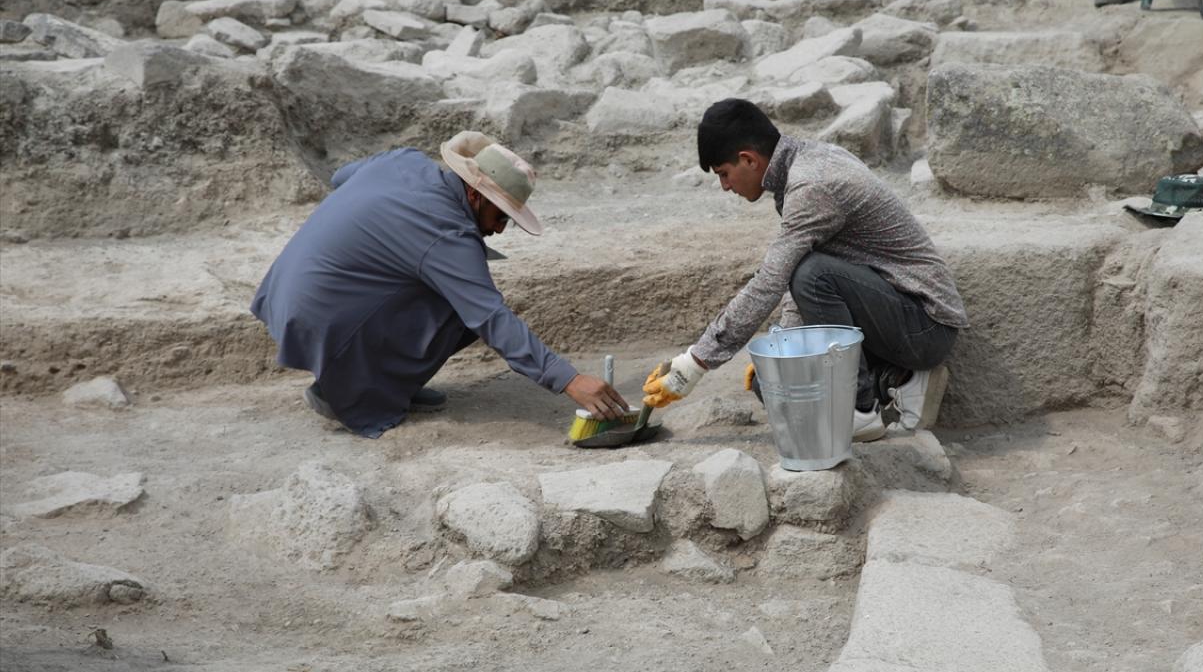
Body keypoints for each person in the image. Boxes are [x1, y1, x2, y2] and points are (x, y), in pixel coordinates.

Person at [250, 131, 629, 438]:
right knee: (459, 309)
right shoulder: (446, 234)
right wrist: (570, 380)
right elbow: (490, 317)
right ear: (473, 193)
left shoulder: (404, 161)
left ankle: (387, 383)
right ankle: (343, 395)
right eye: (500, 215)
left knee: (442, 292)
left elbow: (340, 178)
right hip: (317, 318)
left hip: (284, 291)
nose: (499, 229)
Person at [642, 99, 968, 441]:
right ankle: (898, 379)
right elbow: (802, 268)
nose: (725, 186)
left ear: (749, 160)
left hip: (925, 325)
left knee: (812, 275)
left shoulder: (813, 185)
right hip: (891, 313)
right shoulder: (805, 163)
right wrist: (785, 342)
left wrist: (694, 363)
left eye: (724, 173)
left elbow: (775, 281)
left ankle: (859, 409)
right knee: (773, 385)